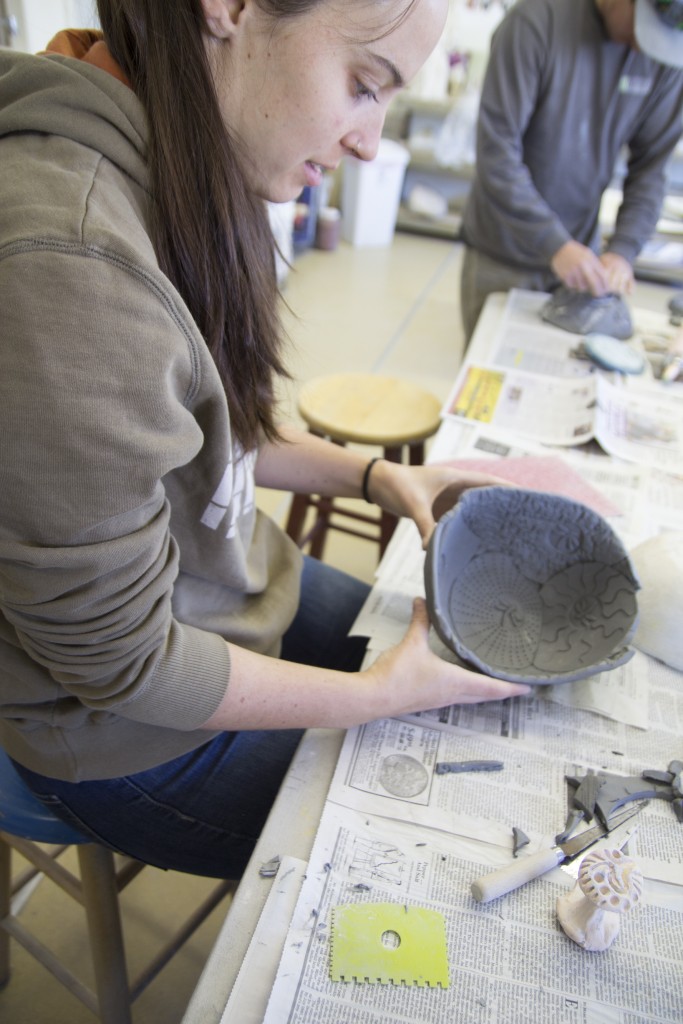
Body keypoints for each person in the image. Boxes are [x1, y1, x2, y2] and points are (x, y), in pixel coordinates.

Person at [0, 0, 530, 880]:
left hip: (216, 590)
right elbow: (127, 669)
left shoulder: (176, 143)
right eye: (363, 86)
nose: (369, 142)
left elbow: (210, 421)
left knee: (467, 669)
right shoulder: (72, 267)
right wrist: (372, 699)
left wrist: (376, 478)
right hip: (126, 729)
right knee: (440, 844)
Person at [460, 0, 683, 343]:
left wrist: (623, 251)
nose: (644, 46)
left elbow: (651, 171)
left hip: (584, 261)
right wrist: (553, 244)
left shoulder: (664, 58)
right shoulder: (535, 23)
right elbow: (496, 155)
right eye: (642, 29)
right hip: (504, 253)